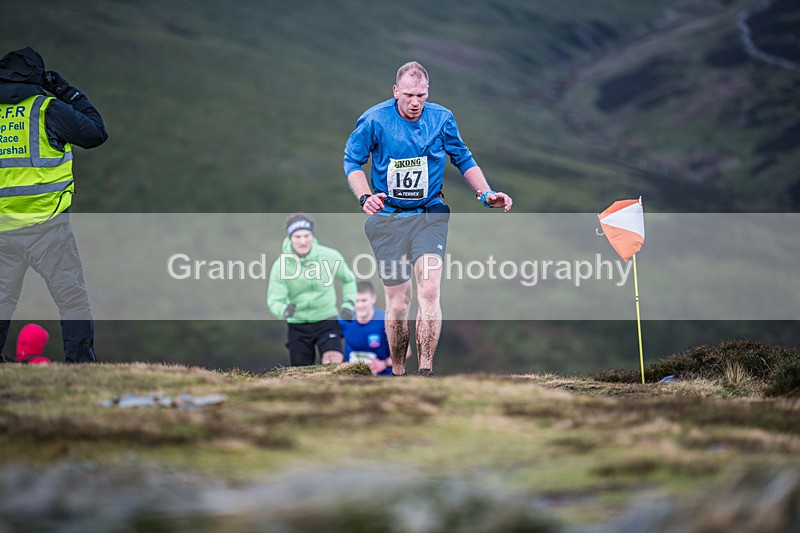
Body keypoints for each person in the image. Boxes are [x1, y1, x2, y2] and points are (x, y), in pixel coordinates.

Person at [344, 61, 513, 377]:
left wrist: (486, 193)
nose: (414, 102)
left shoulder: (442, 119)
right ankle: (397, 372)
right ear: (395, 91)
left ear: (427, 92)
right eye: (407, 95)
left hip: (429, 215)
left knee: (430, 289)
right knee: (397, 303)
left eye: (420, 95)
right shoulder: (374, 120)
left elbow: (462, 157)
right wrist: (366, 196)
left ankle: (425, 370)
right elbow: (352, 160)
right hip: (388, 218)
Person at [0, 47, 107, 364]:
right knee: (71, 298)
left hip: (3, 227)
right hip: (47, 225)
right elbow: (96, 133)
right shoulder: (47, 109)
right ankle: (80, 366)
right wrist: (66, 90)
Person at [267, 213, 357, 366]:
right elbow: (274, 299)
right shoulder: (280, 265)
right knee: (300, 371)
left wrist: (348, 304)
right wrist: (283, 310)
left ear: (312, 236)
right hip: (298, 323)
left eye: (306, 235)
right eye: (297, 236)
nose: (303, 241)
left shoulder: (329, 256)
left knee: (333, 362)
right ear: (290, 238)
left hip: (326, 319)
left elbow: (348, 279)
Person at [339, 280, 397, 376]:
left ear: (373, 298)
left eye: (364, 300)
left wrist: (384, 363)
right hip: (351, 377)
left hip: (382, 378)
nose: (360, 305)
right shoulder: (343, 320)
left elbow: (406, 352)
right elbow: (330, 343)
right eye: (356, 301)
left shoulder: (386, 320)